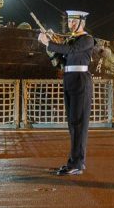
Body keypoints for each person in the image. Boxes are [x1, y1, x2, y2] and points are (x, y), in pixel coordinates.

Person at [38, 10, 96, 176]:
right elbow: (62, 61)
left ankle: (78, 163)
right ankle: (73, 161)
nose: (70, 24)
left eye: (73, 21)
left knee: (78, 123)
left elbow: (71, 50)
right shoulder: (72, 40)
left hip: (80, 80)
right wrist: (51, 51)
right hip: (70, 78)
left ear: (81, 22)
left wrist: (48, 43)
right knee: (72, 124)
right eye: (69, 21)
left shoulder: (87, 39)